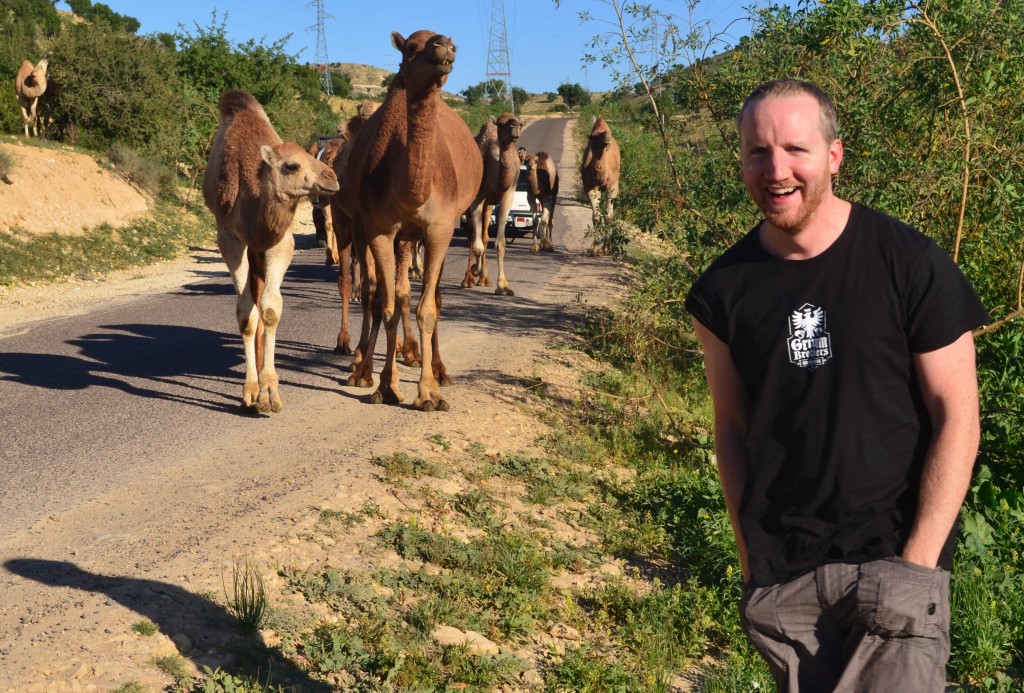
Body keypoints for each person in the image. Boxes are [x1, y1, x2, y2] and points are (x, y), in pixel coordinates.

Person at [685, 78, 990, 691]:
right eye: (757, 152)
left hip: (892, 565)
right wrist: (752, 563)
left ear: (833, 155)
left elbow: (957, 416)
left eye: (795, 149)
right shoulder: (722, 293)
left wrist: (919, 563)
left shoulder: (909, 264)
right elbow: (733, 430)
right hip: (786, 585)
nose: (776, 170)